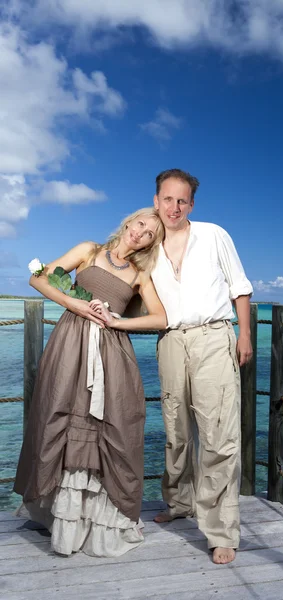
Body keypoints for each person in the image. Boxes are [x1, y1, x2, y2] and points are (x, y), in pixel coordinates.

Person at [14, 207, 167, 557]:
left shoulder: (141, 275)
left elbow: (160, 318)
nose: (141, 233)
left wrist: (116, 323)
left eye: (149, 234)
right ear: (129, 221)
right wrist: (74, 304)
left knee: (111, 426)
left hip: (112, 354)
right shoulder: (88, 250)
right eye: (140, 224)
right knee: (59, 415)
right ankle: (61, 518)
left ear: (150, 243)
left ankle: (96, 520)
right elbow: (38, 277)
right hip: (70, 344)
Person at [150, 169, 253, 565]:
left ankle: (221, 531)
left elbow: (239, 287)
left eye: (182, 200)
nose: (174, 207)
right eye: (167, 199)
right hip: (172, 340)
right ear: (156, 201)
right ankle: (179, 502)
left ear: (191, 204)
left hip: (213, 336)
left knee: (218, 436)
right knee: (175, 429)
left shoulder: (214, 234)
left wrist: (244, 334)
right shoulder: (148, 245)